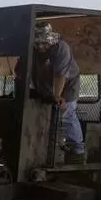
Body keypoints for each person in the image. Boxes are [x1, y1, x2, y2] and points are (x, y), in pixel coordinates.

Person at [33, 21, 84, 163]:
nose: (41, 47)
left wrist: (57, 96)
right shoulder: (33, 49)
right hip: (47, 83)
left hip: (68, 84)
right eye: (38, 44)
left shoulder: (61, 48)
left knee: (66, 114)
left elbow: (60, 75)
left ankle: (77, 151)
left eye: (44, 43)